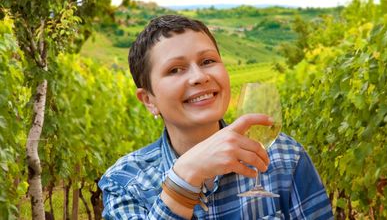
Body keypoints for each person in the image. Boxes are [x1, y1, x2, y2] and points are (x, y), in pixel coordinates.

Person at [99, 14, 333, 219]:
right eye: (175, 70)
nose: (199, 77)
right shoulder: (125, 182)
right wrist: (185, 176)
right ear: (149, 100)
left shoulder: (285, 157)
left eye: (208, 61)